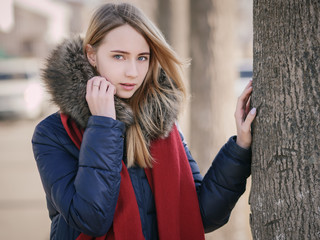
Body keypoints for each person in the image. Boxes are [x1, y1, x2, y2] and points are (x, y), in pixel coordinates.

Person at [32, 2, 256, 240]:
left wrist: (239, 149)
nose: (133, 72)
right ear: (92, 55)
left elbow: (202, 215)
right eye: (119, 56)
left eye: (142, 58)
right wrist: (103, 126)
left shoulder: (160, 126)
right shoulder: (52, 134)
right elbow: (91, 220)